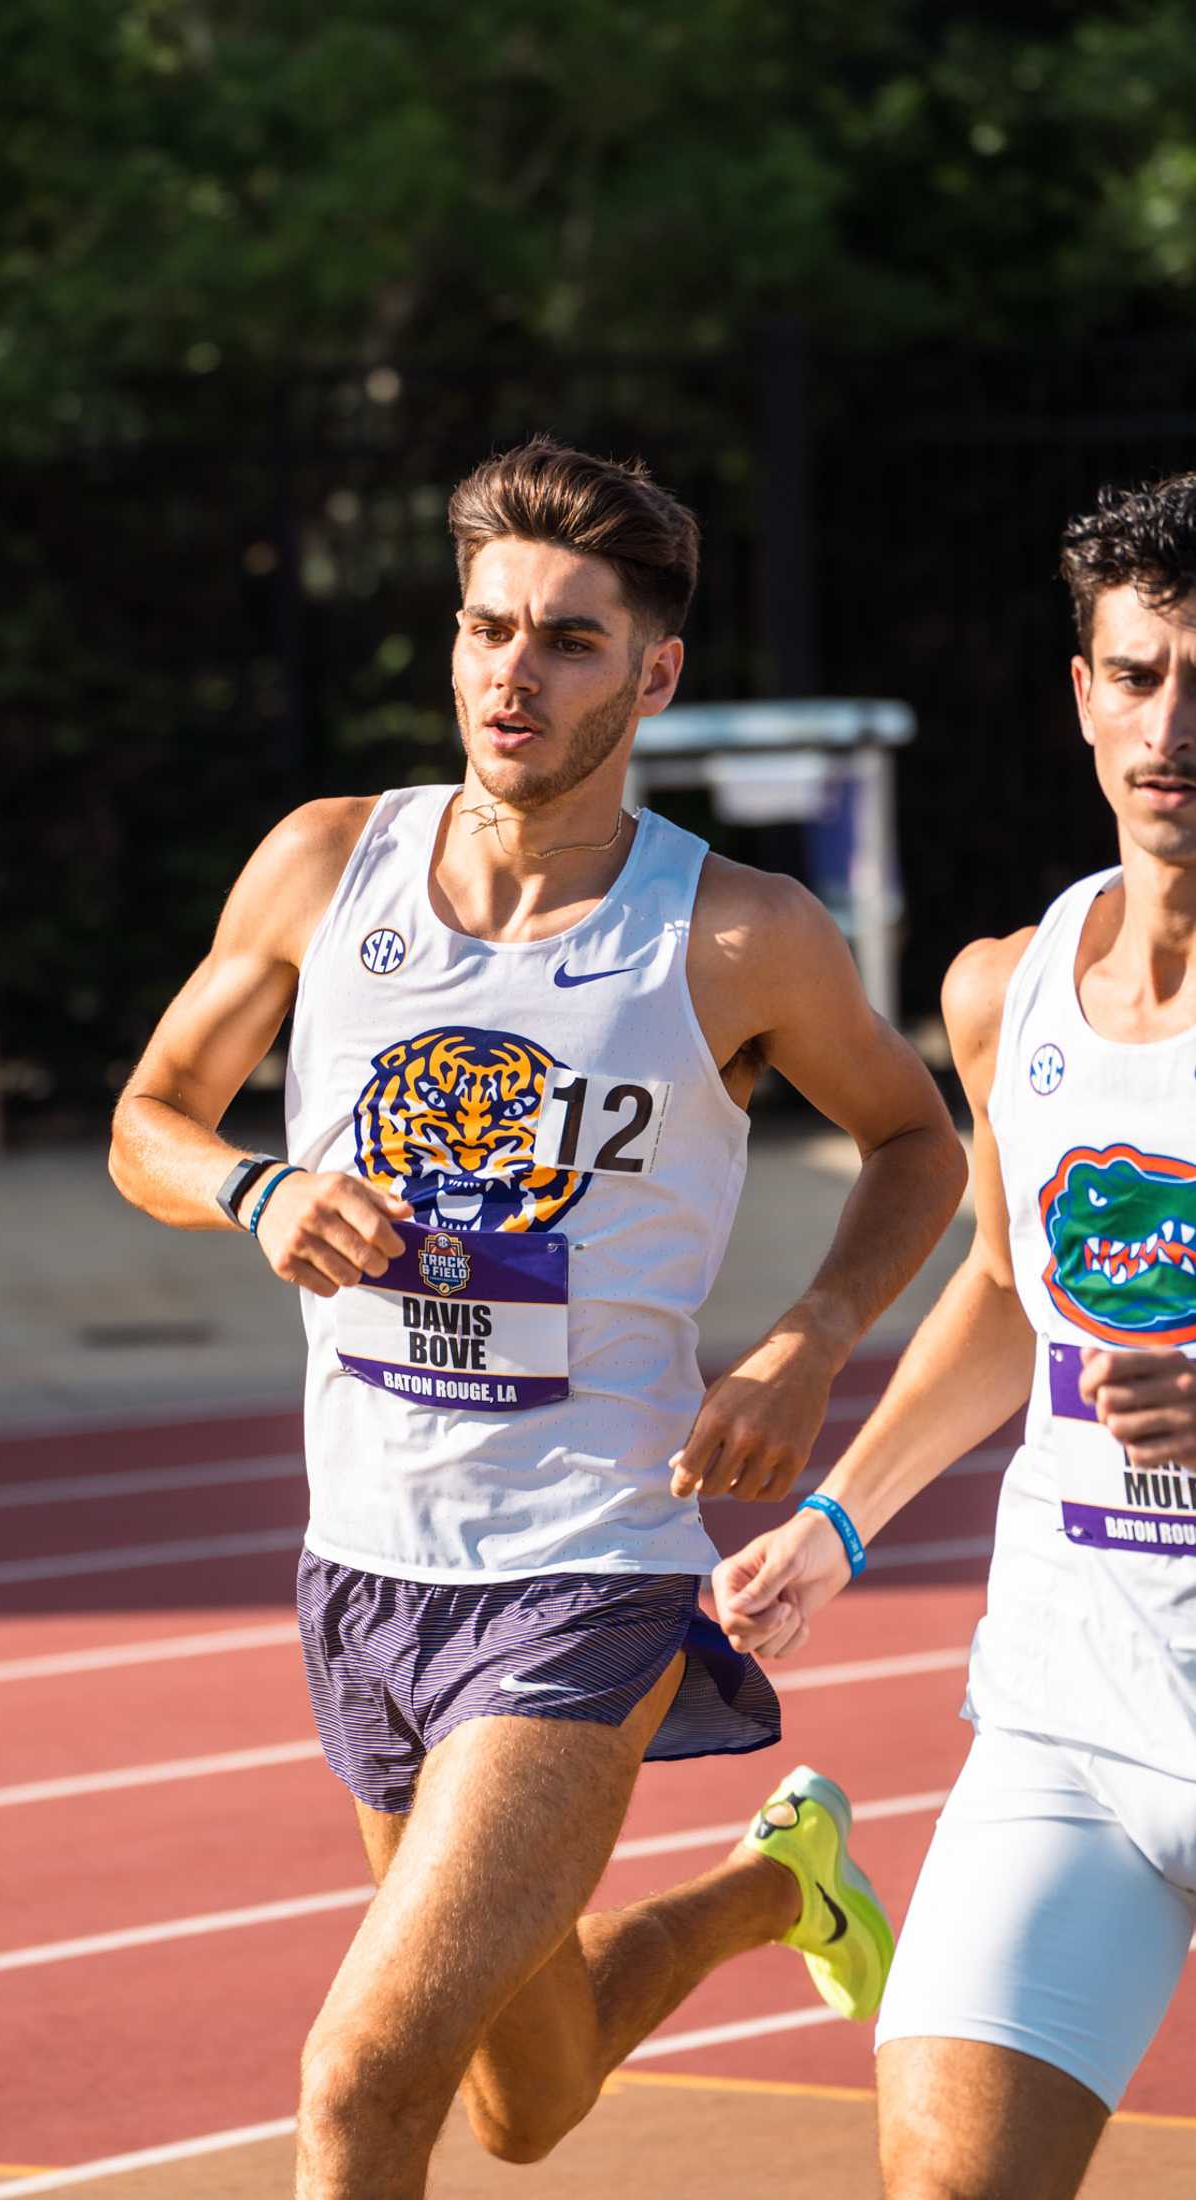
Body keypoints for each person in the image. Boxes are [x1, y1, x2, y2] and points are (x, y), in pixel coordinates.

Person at [109, 438, 966, 2200]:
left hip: (584, 1565)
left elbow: (913, 1143)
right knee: (524, 2096)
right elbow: (147, 1123)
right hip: (362, 1558)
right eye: (489, 626)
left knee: (360, 2084)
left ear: (654, 674)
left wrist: (809, 1336)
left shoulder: (737, 936)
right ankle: (775, 1887)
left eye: (570, 639)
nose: (515, 671)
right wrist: (256, 1189)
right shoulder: (321, 868)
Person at [713, 473, 1196, 2200]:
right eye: (1137, 675)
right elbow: (1005, 1289)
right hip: (1076, 1713)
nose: (1171, 726)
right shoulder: (1010, 987)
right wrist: (843, 1519)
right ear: (1081, 692)